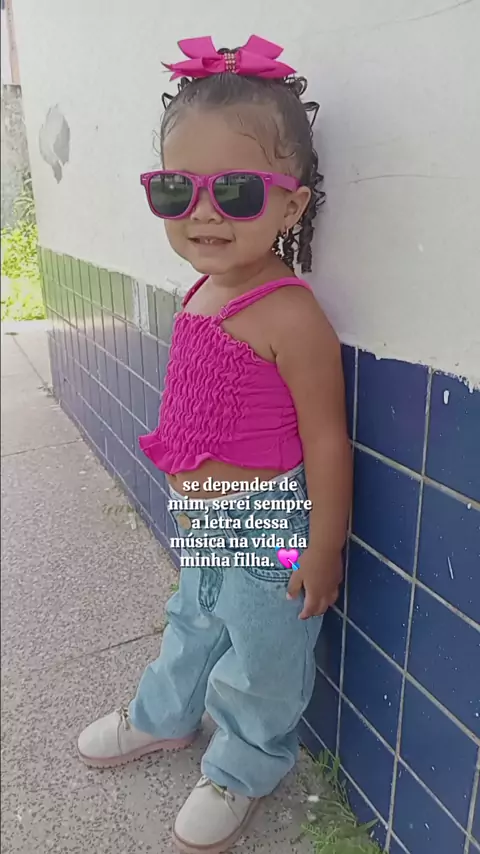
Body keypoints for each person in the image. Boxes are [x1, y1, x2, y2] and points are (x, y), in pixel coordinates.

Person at [78, 35, 352, 854]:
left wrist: (323, 547)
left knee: (263, 650)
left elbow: (327, 440)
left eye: (235, 191)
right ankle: (164, 715)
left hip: (270, 524)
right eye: (177, 189)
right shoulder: (202, 288)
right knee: (192, 620)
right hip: (205, 520)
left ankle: (243, 764)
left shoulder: (290, 314)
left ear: (291, 207)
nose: (203, 212)